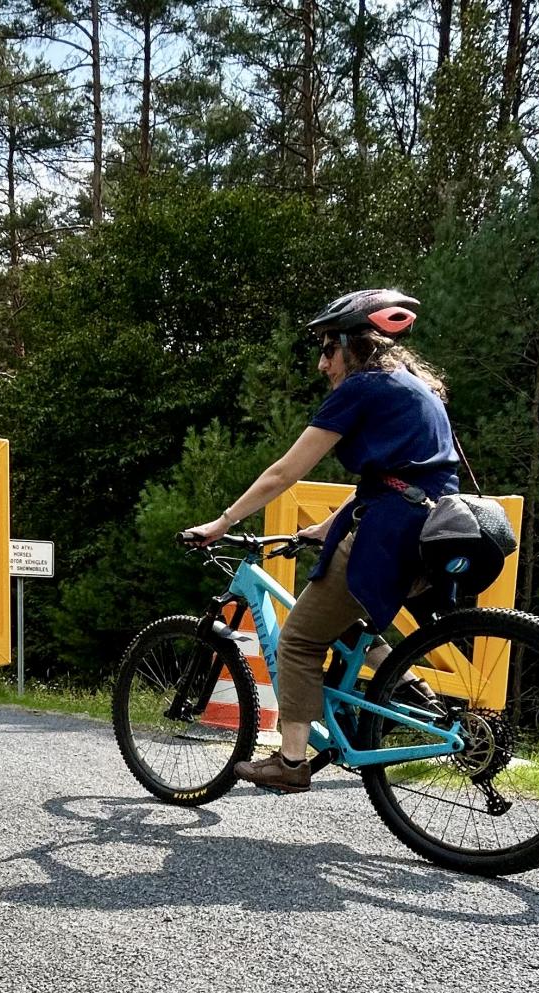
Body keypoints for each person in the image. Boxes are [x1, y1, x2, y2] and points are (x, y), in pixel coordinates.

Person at [182, 288, 458, 793]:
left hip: (391, 535)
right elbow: (396, 480)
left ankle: (289, 762)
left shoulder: (363, 388)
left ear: (355, 344)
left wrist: (220, 523)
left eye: (328, 348)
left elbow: (284, 471)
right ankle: (416, 695)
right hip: (432, 532)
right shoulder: (417, 388)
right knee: (345, 622)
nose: (321, 363)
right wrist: (324, 529)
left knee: (300, 640)